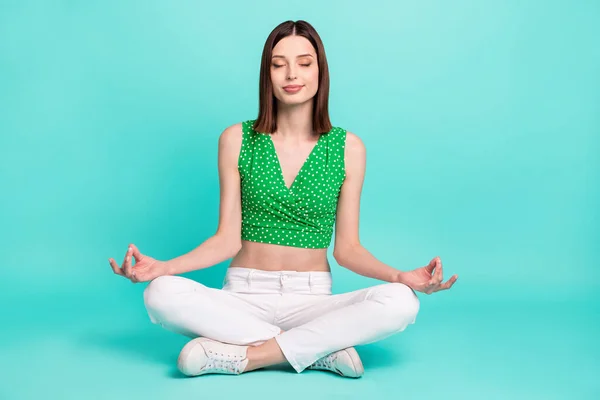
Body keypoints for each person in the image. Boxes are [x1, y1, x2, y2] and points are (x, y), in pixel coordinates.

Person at [108, 20, 458, 379]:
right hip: (242, 296)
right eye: (279, 64)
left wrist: (400, 275)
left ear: (320, 71)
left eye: (304, 63)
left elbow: (347, 249)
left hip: (312, 300)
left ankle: (249, 355)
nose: (292, 73)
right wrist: (164, 267)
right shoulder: (236, 139)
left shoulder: (348, 148)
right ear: (267, 74)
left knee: (400, 301)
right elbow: (226, 240)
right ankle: (316, 349)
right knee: (160, 293)